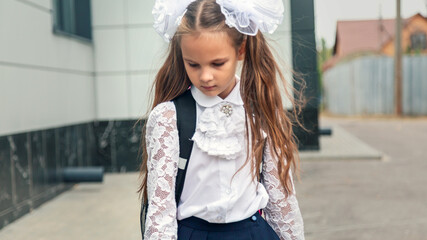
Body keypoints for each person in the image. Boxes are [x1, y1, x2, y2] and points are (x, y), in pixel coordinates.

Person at [138, 0, 305, 239]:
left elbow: (281, 200)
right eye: (193, 64)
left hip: (253, 233)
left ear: (241, 50)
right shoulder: (169, 117)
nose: (205, 76)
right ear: (181, 55)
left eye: (217, 63)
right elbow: (160, 211)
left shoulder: (262, 111)